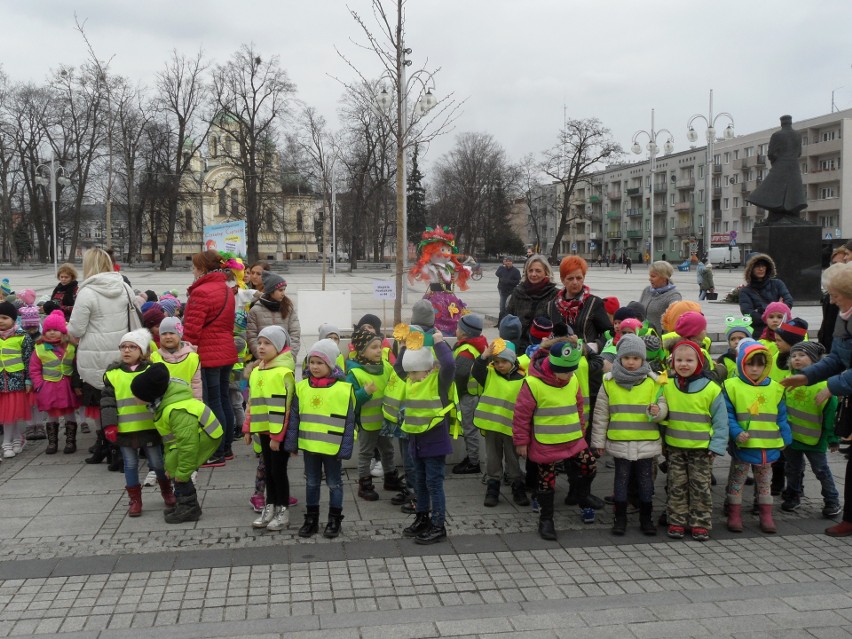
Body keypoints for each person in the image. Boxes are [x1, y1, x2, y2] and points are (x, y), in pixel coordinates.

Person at [781, 262, 852, 536]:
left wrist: (832, 386)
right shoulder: (844, 315)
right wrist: (806, 376)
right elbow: (836, 358)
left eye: (835, 294)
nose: (831, 299)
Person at [513, 340, 593, 540]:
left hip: (573, 439)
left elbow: (579, 407)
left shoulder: (572, 379)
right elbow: (521, 415)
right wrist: (521, 442)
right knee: (547, 481)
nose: (569, 375)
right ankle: (546, 519)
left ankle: (582, 496)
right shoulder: (533, 383)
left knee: (589, 465)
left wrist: (581, 431)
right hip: (546, 441)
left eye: (571, 371)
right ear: (553, 368)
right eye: (564, 372)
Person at [68, 248, 140, 469]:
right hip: (122, 353)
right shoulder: (125, 287)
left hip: (96, 355)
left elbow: (76, 329)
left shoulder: (87, 293)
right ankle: (116, 448)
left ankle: (108, 446)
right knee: (120, 403)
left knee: (102, 404)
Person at [591, 334, 667, 537]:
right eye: (626, 358)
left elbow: (663, 406)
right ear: (619, 359)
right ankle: (620, 518)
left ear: (643, 359)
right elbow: (600, 414)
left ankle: (646, 518)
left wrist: (657, 412)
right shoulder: (609, 382)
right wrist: (598, 442)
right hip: (620, 440)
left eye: (636, 358)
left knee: (645, 481)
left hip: (646, 441)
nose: (631, 362)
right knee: (621, 480)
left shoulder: (654, 382)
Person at [129, 363, 223, 523]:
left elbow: (188, 446)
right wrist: (170, 467)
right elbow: (170, 439)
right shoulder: (165, 405)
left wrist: (183, 472)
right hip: (195, 437)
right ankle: (183, 504)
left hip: (206, 437)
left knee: (180, 472)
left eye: (136, 395)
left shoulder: (176, 410)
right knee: (173, 466)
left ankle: (190, 508)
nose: (133, 398)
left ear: (149, 395)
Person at [101, 329, 176, 517]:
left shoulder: (151, 371)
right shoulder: (113, 374)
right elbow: (107, 402)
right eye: (123, 347)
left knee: (158, 463)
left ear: (142, 351)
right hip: (125, 429)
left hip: (150, 427)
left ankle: (167, 491)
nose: (127, 351)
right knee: (130, 464)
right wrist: (109, 425)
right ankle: (135, 499)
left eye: (132, 347)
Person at [286, 339, 355, 539]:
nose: (314, 367)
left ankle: (334, 519)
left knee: (334, 483)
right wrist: (292, 444)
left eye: (320, 363)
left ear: (331, 365)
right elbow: (295, 417)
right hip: (310, 446)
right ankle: (312, 519)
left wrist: (345, 448)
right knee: (312, 483)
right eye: (311, 362)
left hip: (332, 448)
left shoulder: (343, 389)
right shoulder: (302, 388)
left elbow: (349, 421)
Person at [662, 340, 729, 541]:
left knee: (700, 486)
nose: (684, 364)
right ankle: (677, 520)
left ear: (699, 363)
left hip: (701, 449)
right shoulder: (667, 386)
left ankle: (700, 522)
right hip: (675, 447)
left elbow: (721, 421)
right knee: (676, 485)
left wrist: (717, 445)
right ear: (672, 362)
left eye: (689, 360)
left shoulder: (711, 388)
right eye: (679, 360)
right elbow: (662, 414)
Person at [723, 339, 792, 534]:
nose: (755, 369)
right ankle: (734, 514)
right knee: (737, 480)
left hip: (768, 445)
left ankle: (766, 515)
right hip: (744, 445)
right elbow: (727, 415)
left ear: (766, 365)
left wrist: (785, 438)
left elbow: (782, 416)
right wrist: (736, 433)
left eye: (760, 364)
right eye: (749, 364)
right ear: (741, 363)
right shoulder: (731, 386)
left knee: (764, 482)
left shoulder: (775, 388)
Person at [395, 326, 456, 545]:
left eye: (414, 372)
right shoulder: (411, 379)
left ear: (427, 369)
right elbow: (399, 369)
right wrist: (404, 348)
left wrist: (439, 342)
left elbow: (449, 364)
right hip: (416, 439)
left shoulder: (438, 381)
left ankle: (438, 525)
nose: (410, 377)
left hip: (434, 440)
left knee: (433, 483)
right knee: (420, 482)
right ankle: (422, 518)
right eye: (409, 373)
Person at [182, 250, 238, 467]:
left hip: (208, 353)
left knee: (212, 402)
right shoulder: (225, 288)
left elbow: (192, 329)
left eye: (195, 266)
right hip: (226, 350)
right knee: (224, 399)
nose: (193, 270)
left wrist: (186, 352)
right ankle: (227, 447)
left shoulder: (201, 292)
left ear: (203, 268)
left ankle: (216, 451)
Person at [781, 341, 841, 518]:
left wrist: (832, 438)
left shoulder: (824, 386)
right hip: (792, 437)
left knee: (821, 470)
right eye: (794, 356)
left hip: (815, 438)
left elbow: (830, 417)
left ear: (815, 361)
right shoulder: (789, 382)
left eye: (802, 355)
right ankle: (793, 495)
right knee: (792, 468)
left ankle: (832, 500)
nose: (797, 359)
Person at [244, 326, 295, 532]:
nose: (261, 347)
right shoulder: (257, 371)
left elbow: (283, 409)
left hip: (277, 434)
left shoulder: (283, 373)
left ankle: (282, 509)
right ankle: (270, 505)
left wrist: (277, 436)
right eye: (260, 342)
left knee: (278, 471)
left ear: (279, 347)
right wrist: (247, 429)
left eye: (267, 343)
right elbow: (252, 403)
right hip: (263, 431)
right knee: (268, 472)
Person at [346, 328, 400, 501]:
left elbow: (395, 384)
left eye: (379, 346)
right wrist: (365, 392)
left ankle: (390, 477)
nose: (378, 350)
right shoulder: (355, 373)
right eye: (373, 347)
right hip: (367, 423)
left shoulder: (386, 366)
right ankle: (365, 484)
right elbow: (350, 401)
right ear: (362, 351)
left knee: (388, 450)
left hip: (385, 420)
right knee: (366, 453)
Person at [472, 339, 527, 507]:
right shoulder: (489, 374)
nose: (500, 365)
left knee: (513, 459)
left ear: (513, 361)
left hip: (511, 428)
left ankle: (517, 486)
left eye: (504, 362)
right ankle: (493, 487)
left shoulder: (523, 380)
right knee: (493, 459)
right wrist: (484, 356)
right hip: (492, 427)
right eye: (496, 362)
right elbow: (476, 371)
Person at [29, 310, 80, 455]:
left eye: (55, 330)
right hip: (49, 386)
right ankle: (52, 442)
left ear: (63, 332)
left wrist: (76, 384)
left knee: (69, 413)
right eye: (48, 330)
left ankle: (71, 441)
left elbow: (76, 365)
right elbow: (34, 369)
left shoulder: (70, 347)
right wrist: (39, 385)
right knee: (52, 415)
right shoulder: (39, 348)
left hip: (67, 386)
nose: (52, 333)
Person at [451, 314, 487, 476]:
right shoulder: (474, 345)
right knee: (469, 428)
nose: (456, 330)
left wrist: (454, 393)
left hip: (467, 395)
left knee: (469, 429)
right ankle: (471, 457)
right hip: (472, 394)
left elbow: (459, 375)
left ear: (465, 332)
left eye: (458, 328)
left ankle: (473, 462)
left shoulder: (466, 351)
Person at [0, 301, 34, 458]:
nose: (1, 320)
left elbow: (29, 361)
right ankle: (12, 441)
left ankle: (11, 441)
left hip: (16, 382)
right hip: (1, 383)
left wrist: (28, 380)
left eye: (5, 317)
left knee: (15, 413)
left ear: (14, 319)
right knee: (6, 415)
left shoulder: (23, 337)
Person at [505, 254, 559, 353]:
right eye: (530, 270)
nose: (533, 274)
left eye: (538, 271)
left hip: (542, 350)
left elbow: (558, 326)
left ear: (546, 272)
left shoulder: (555, 295)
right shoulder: (518, 292)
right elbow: (507, 317)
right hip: (516, 348)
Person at [246, 271, 302, 359]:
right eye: (280, 290)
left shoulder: (288, 308)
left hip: (285, 360)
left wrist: (289, 356)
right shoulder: (255, 310)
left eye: (284, 290)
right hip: (264, 361)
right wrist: (263, 356)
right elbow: (251, 337)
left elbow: (295, 334)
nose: (283, 293)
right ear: (271, 291)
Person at [739, 253, 794, 340]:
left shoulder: (777, 284)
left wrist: (761, 310)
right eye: (757, 266)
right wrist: (776, 312)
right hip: (759, 333)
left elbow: (789, 301)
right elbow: (747, 312)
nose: (761, 269)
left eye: (763, 266)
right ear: (750, 269)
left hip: (780, 331)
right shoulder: (745, 291)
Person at [150, 318, 202, 400]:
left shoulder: (192, 358)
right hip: (163, 404)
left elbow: (196, 384)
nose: (168, 337)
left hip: (186, 403)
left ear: (180, 334)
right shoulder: (154, 357)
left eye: (171, 333)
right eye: (164, 334)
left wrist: (197, 404)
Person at [638, 261, 682, 335]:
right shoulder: (647, 290)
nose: (650, 279)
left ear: (664, 278)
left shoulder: (674, 296)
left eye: (653, 276)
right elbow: (638, 311)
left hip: (660, 340)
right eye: (650, 276)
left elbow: (674, 320)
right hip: (642, 335)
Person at [818, 247, 847, 352]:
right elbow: (827, 323)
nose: (835, 268)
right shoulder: (829, 292)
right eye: (833, 264)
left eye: (840, 264)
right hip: (828, 347)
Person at [495, 257, 521, 323]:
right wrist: (501, 267)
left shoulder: (516, 271)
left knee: (508, 307)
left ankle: (507, 322)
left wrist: (508, 281)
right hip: (503, 291)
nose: (508, 262)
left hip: (511, 292)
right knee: (502, 307)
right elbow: (497, 274)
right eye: (507, 261)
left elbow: (517, 281)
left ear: (512, 262)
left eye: (510, 261)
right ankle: (500, 323)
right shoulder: (502, 269)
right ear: (505, 262)